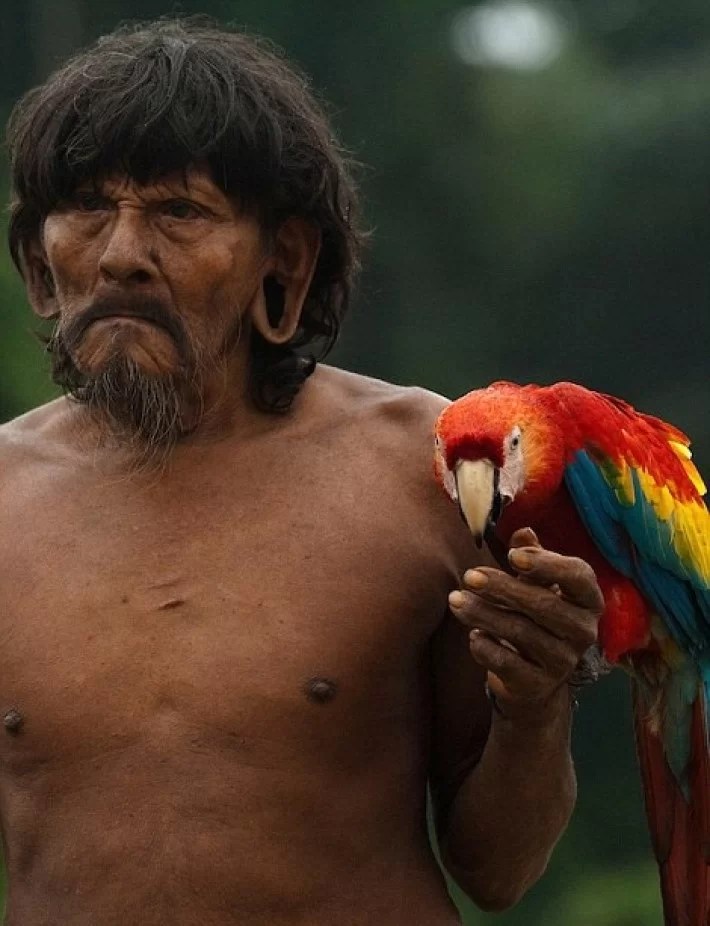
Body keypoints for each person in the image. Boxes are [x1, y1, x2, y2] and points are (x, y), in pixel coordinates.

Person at [0, 18, 602, 926]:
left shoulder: (434, 469)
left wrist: (535, 703)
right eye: (87, 207)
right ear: (38, 265)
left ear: (285, 259)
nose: (122, 253)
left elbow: (498, 873)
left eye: (179, 212)